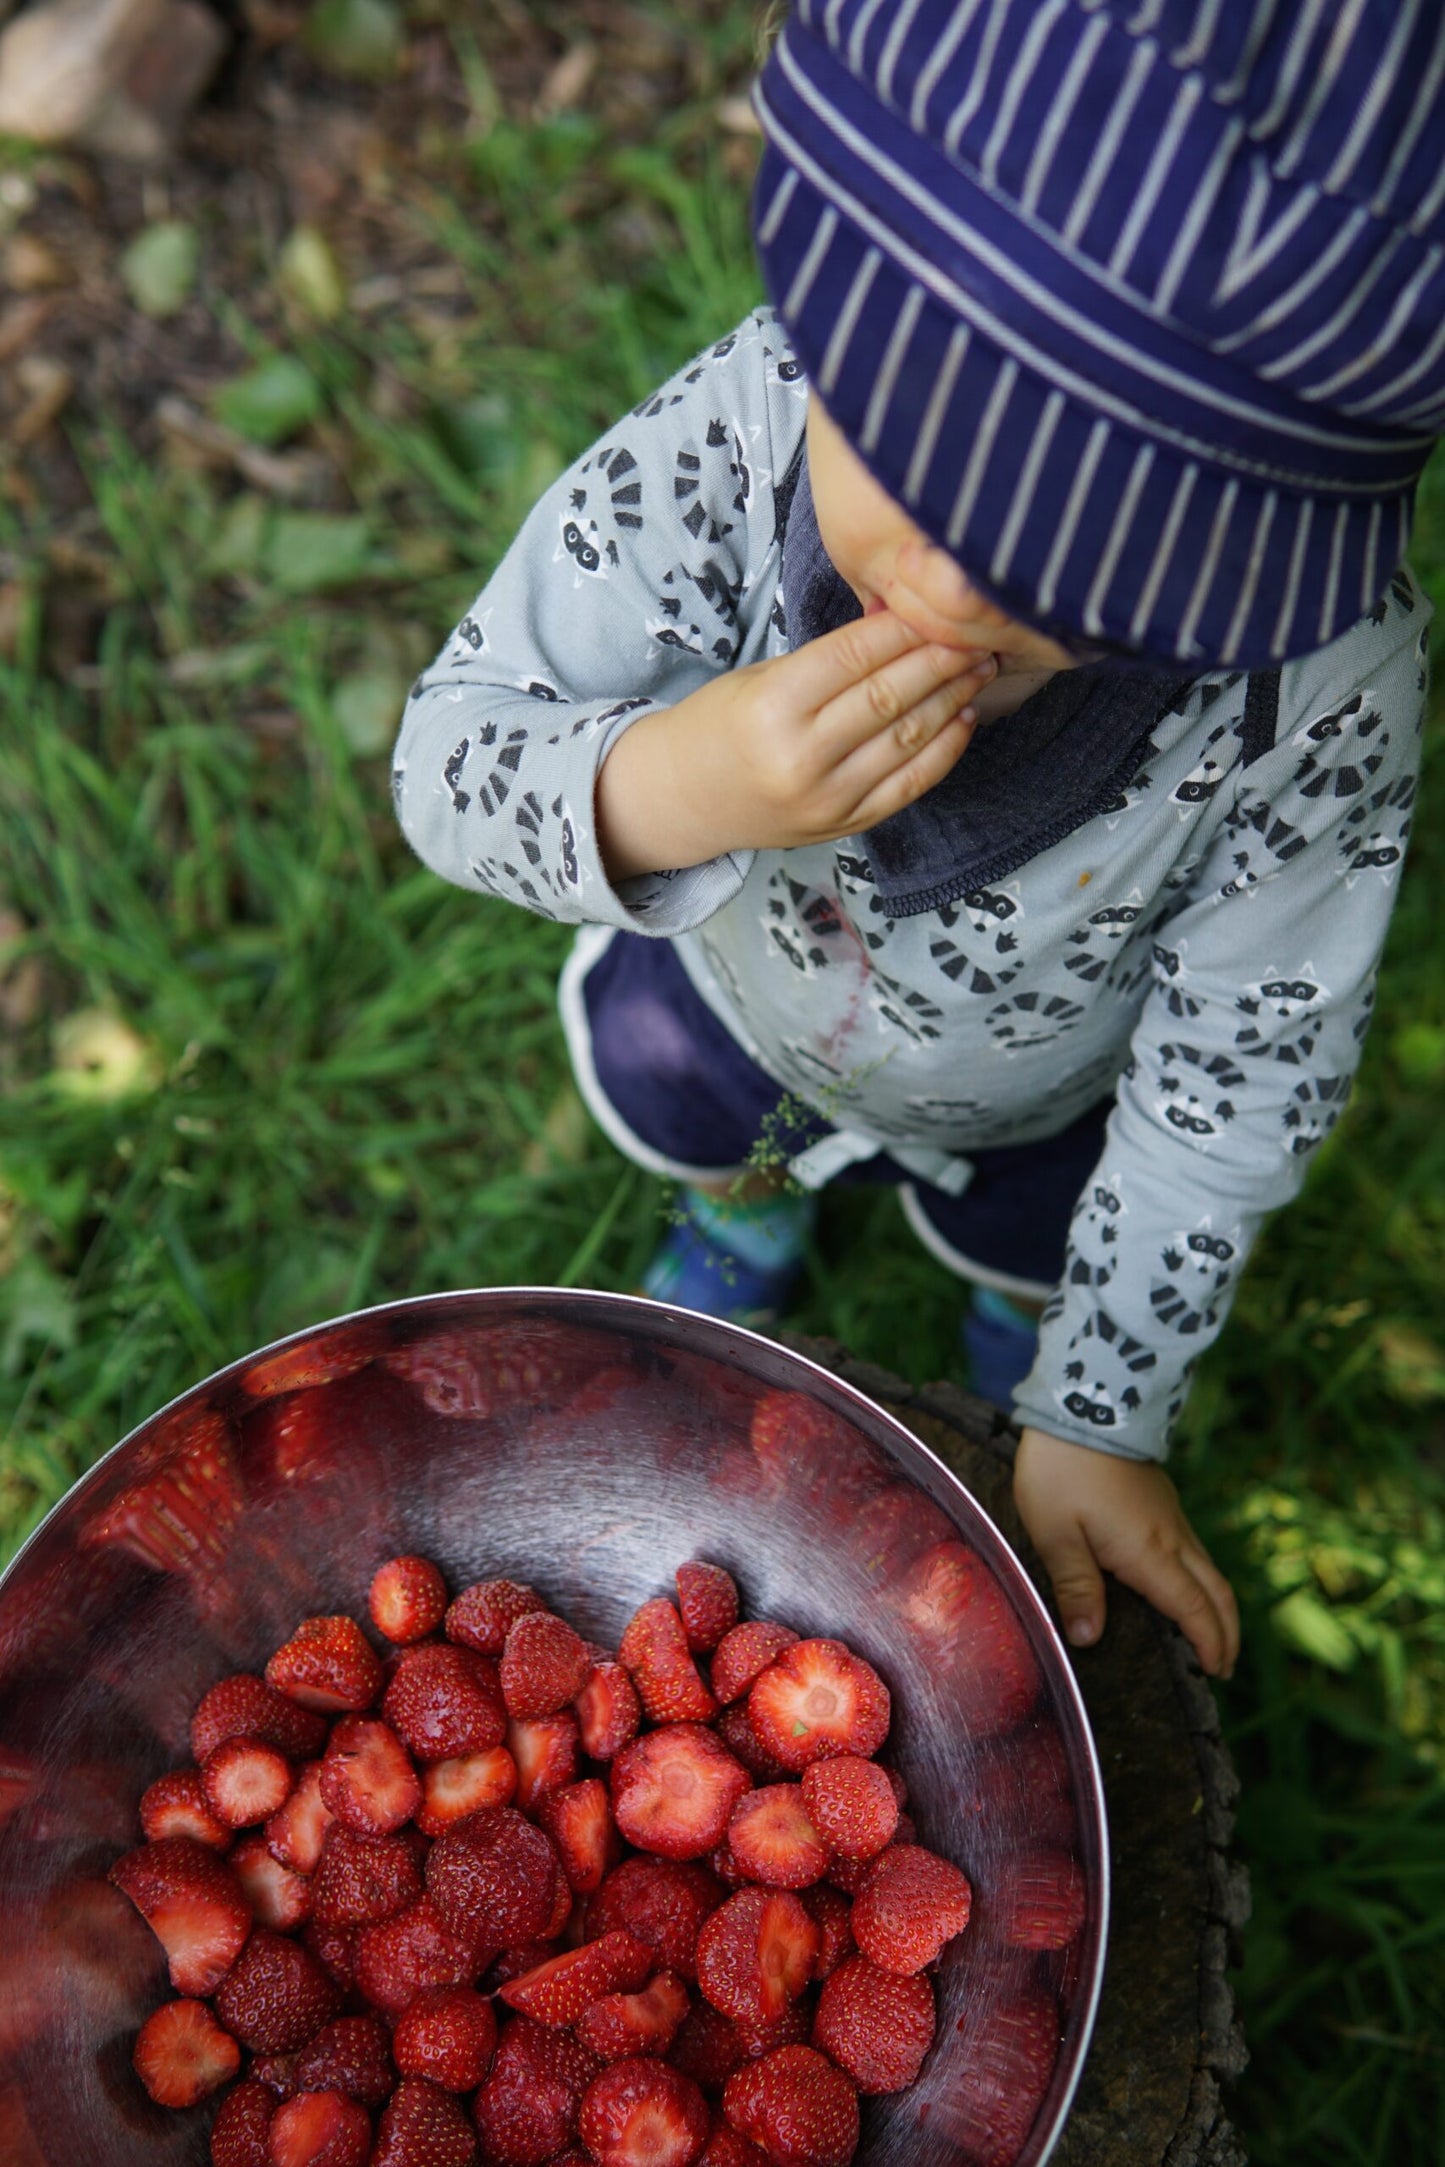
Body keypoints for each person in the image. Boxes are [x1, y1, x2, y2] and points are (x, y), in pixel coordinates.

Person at [393, 0, 1443, 1680]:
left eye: (1087, 560)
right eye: (919, 463)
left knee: (1037, 1260)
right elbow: (452, 760)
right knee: (727, 1144)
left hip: (1044, 1098)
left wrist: (1102, 1409)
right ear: (841, 317)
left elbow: (1234, 1072)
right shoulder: (742, 438)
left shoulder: (1305, 693)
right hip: (743, 1006)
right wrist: (680, 783)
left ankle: (1023, 1355)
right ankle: (744, 1232)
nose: (950, 590)